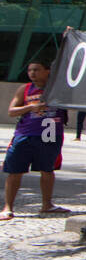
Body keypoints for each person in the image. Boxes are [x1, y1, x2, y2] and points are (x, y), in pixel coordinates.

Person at [1, 61, 69, 220]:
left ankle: (47, 204)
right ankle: (8, 207)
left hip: (50, 131)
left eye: (36, 69)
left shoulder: (58, 88)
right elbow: (11, 111)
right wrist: (30, 108)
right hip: (25, 133)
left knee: (47, 169)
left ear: (47, 71)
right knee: (14, 170)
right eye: (30, 70)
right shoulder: (24, 89)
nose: (32, 73)